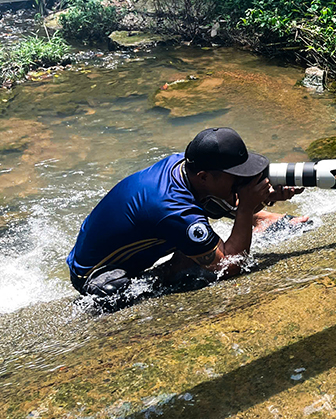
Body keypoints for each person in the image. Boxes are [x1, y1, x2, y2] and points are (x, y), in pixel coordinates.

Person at [66, 127, 307, 301]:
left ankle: (259, 220)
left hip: (101, 243)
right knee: (193, 267)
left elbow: (214, 198)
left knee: (197, 241)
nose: (242, 179)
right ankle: (166, 271)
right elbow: (230, 265)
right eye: (236, 175)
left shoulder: (183, 165)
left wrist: (265, 197)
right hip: (98, 275)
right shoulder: (173, 208)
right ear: (203, 176)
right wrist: (245, 207)